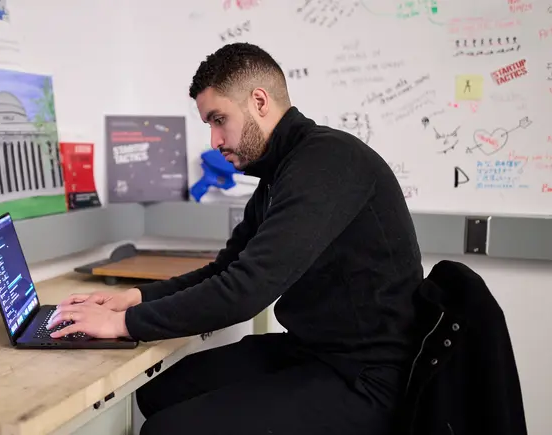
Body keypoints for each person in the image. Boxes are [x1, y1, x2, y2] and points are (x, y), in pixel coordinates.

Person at [47, 42, 423, 434]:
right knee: (158, 391)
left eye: (218, 119)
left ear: (259, 101)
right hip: (313, 351)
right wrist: (136, 298)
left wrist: (123, 324)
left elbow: (246, 291)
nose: (213, 140)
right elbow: (227, 270)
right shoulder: (280, 173)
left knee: (169, 430)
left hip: (367, 377)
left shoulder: (328, 162)